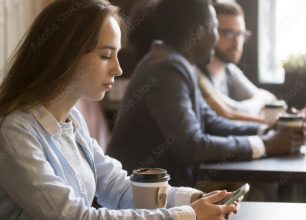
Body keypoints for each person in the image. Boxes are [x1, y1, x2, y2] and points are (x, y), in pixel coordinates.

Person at [0, 0, 240, 219]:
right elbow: (73, 217)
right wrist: (187, 215)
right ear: (65, 55)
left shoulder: (72, 120)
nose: (118, 69)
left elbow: (120, 188)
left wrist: (193, 199)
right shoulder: (15, 132)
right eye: (106, 55)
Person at [107, 0, 304, 187]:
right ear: (199, 32)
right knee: (257, 193)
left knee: (256, 191)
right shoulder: (166, 69)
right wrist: (264, 145)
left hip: (169, 187)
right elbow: (191, 146)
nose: (217, 39)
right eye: (215, 29)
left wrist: (263, 132)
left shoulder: (178, 62)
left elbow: (211, 122)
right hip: (140, 197)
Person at [200, 1, 276, 117]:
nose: (237, 42)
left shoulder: (229, 70)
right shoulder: (197, 73)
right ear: (211, 32)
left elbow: (270, 99)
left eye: (241, 34)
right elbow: (229, 112)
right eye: (229, 33)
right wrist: (259, 101)